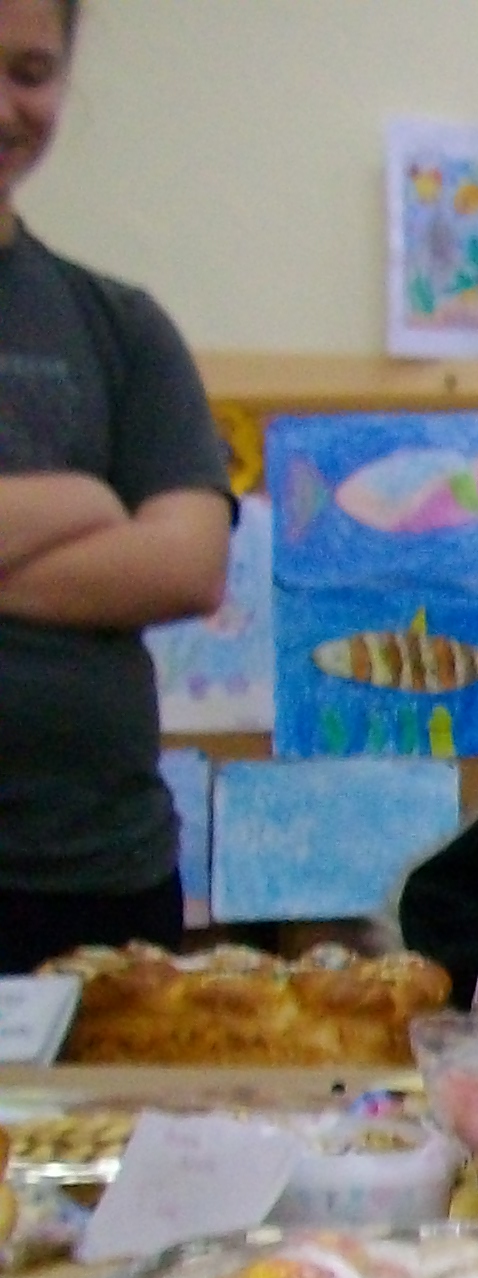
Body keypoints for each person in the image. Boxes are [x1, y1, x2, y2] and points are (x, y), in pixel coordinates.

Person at [0, 0, 229, 971]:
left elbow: (188, 564)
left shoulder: (118, 325)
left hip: (97, 880)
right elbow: (139, 538)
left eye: (31, 71)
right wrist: (83, 504)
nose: (7, 104)